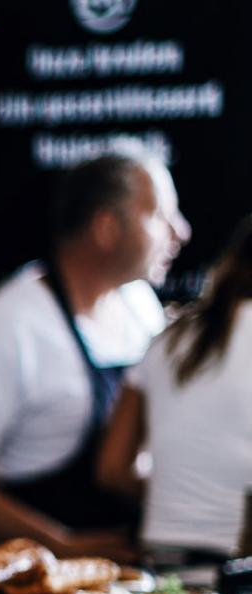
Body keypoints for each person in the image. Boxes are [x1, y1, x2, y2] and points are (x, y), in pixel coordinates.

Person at [0, 148, 190, 560]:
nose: (181, 232)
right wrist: (59, 546)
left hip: (123, 574)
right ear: (106, 227)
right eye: (160, 215)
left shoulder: (139, 305)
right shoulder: (9, 326)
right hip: (26, 583)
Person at [97, 215, 252, 560]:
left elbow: (112, 469)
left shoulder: (169, 338)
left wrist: (183, 498)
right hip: (239, 573)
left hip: (164, 566)